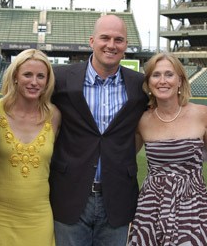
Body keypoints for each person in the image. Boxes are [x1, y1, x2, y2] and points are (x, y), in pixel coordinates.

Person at [49, 14, 148, 245]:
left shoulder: (140, 85)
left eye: (119, 39)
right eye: (105, 38)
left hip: (117, 197)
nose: (111, 45)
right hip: (69, 195)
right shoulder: (61, 79)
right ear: (91, 41)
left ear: (126, 45)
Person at [128, 52, 207, 245]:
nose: (163, 81)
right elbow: (125, 156)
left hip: (193, 205)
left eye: (169, 74)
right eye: (156, 75)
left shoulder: (202, 114)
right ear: (149, 83)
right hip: (151, 207)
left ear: (180, 80)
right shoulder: (142, 120)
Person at [0, 49, 61, 245]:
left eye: (41, 76)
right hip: (0, 217)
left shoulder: (54, 116)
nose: (34, 82)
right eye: (27, 74)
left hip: (39, 218)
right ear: (15, 76)